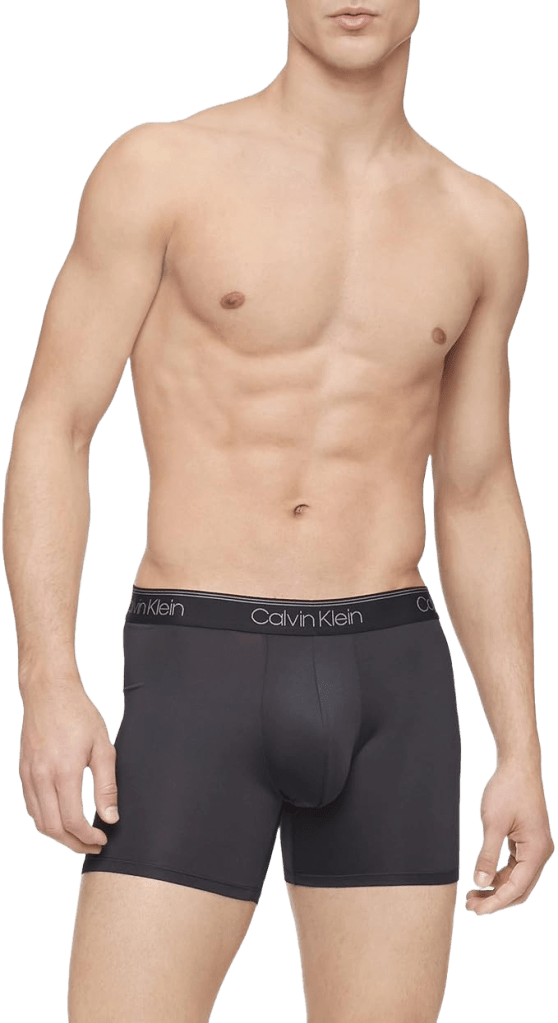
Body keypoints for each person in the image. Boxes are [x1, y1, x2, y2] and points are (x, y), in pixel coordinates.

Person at [3, 1, 554, 1020]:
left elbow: (477, 491)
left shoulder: (483, 221)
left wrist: (521, 747)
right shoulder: (164, 168)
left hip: (393, 677)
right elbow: (55, 422)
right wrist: (48, 679)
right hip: (198, 666)